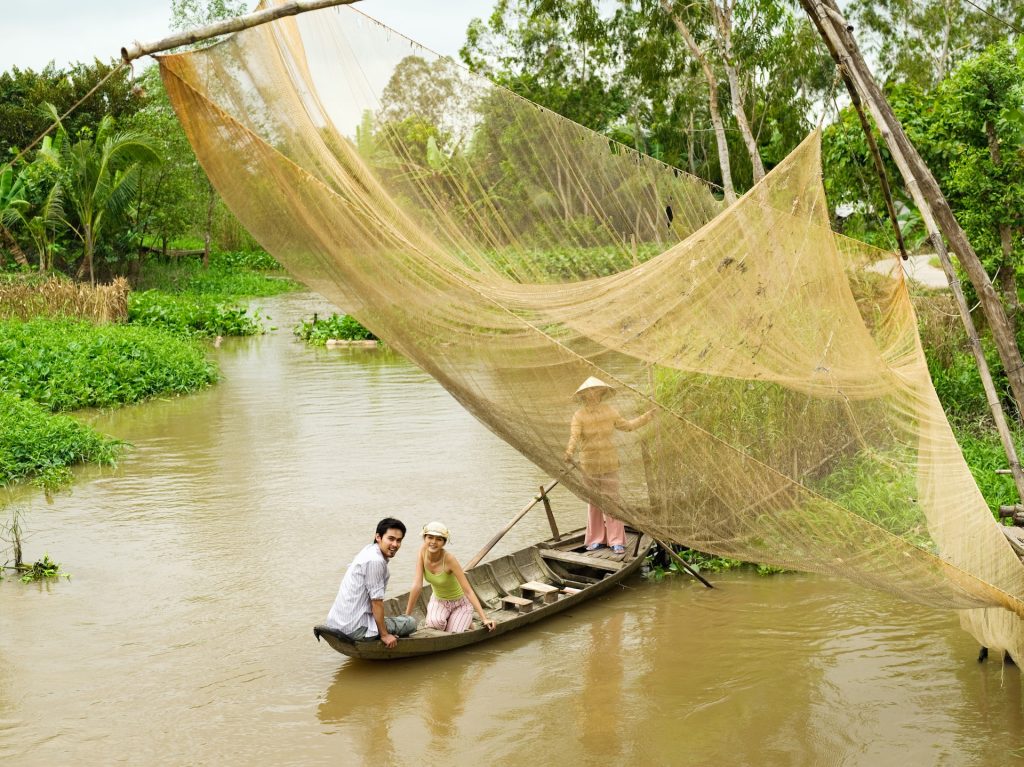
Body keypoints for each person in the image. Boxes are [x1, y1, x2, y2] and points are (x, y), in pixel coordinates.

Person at [564, 376, 654, 554]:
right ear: (583, 395)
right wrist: (569, 451)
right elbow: (574, 436)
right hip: (588, 465)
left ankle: (616, 541)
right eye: (589, 392)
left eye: (597, 390)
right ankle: (596, 539)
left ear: (602, 392)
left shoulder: (610, 411)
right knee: (594, 503)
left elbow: (627, 426)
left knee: (612, 502)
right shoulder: (579, 415)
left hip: (609, 462)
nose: (593, 394)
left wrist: (647, 417)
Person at [325, 517, 417, 648]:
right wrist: (384, 635)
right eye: (390, 539)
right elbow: (376, 602)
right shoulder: (376, 561)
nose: (395, 544)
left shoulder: (369, 550)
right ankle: (381, 632)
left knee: (389, 618)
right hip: (355, 628)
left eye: (399, 540)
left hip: (337, 623)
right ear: (378, 537)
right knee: (411, 622)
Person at [405, 521, 496, 633]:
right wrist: (406, 617)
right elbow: (417, 585)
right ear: (424, 538)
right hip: (439, 601)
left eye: (439, 539)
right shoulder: (422, 551)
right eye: (430, 537)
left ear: (444, 543)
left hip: (460, 604)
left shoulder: (449, 559)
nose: (433, 542)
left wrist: (484, 618)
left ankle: (466, 622)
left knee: (453, 633)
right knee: (435, 624)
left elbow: (468, 591)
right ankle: (452, 619)